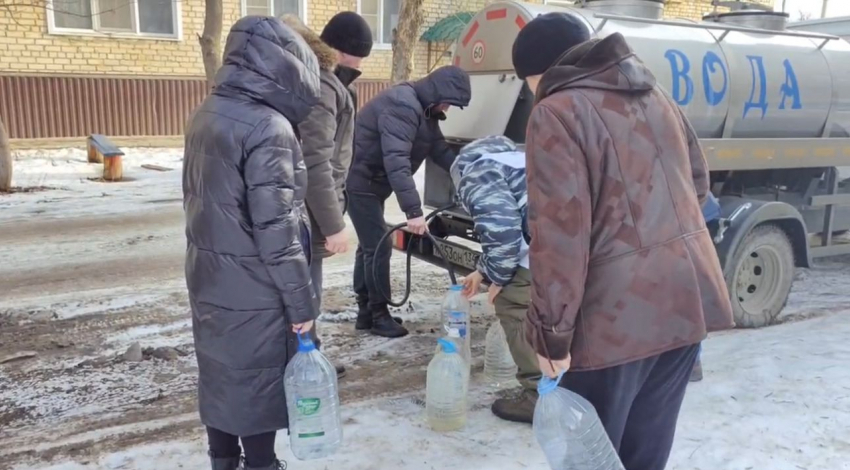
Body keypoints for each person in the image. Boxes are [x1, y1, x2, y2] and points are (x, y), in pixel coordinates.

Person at [513, 13, 734, 470]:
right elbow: (697, 186)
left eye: (527, 81)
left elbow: (560, 239)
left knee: (592, 459)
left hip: (610, 326)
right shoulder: (657, 96)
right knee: (644, 457)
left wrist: (551, 336)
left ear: (540, 71)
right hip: (682, 307)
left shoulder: (557, 111)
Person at [183, 17, 320, 470]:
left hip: (210, 276)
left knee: (222, 373)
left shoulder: (209, 111)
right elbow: (278, 233)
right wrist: (302, 307)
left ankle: (222, 460)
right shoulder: (269, 128)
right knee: (258, 379)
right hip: (256, 285)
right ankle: (263, 464)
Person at [346, 65, 471, 338]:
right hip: (361, 182)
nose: (448, 109)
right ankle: (378, 315)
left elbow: (437, 148)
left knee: (370, 246)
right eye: (449, 102)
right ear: (437, 94)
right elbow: (397, 161)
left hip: (372, 183)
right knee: (378, 247)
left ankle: (366, 313)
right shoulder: (402, 106)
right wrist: (413, 211)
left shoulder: (425, 112)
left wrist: (468, 172)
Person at [281, 12, 372, 380]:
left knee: (306, 291)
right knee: (303, 292)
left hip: (308, 209)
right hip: (305, 213)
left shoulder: (329, 80)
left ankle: (307, 359)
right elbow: (315, 162)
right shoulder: (321, 86)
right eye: (357, 55)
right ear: (338, 49)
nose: (360, 64)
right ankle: (302, 367)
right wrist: (335, 226)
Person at [451, 135, 542, 424]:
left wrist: (499, 281)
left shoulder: (479, 172)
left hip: (552, 250)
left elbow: (503, 235)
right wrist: (483, 272)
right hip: (588, 247)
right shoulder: (524, 162)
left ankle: (540, 395)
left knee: (515, 303)